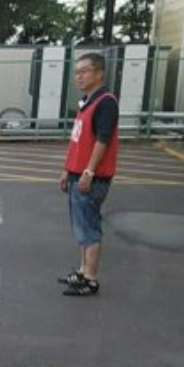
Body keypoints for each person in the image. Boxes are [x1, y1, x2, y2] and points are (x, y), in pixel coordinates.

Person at [59, 51, 119, 297]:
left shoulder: (105, 102)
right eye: (77, 72)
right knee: (81, 226)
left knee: (90, 227)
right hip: (76, 174)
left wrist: (88, 171)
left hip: (90, 178)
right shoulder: (88, 102)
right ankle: (83, 271)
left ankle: (90, 279)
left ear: (99, 73)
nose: (79, 77)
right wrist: (67, 170)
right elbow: (78, 141)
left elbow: (102, 141)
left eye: (85, 71)